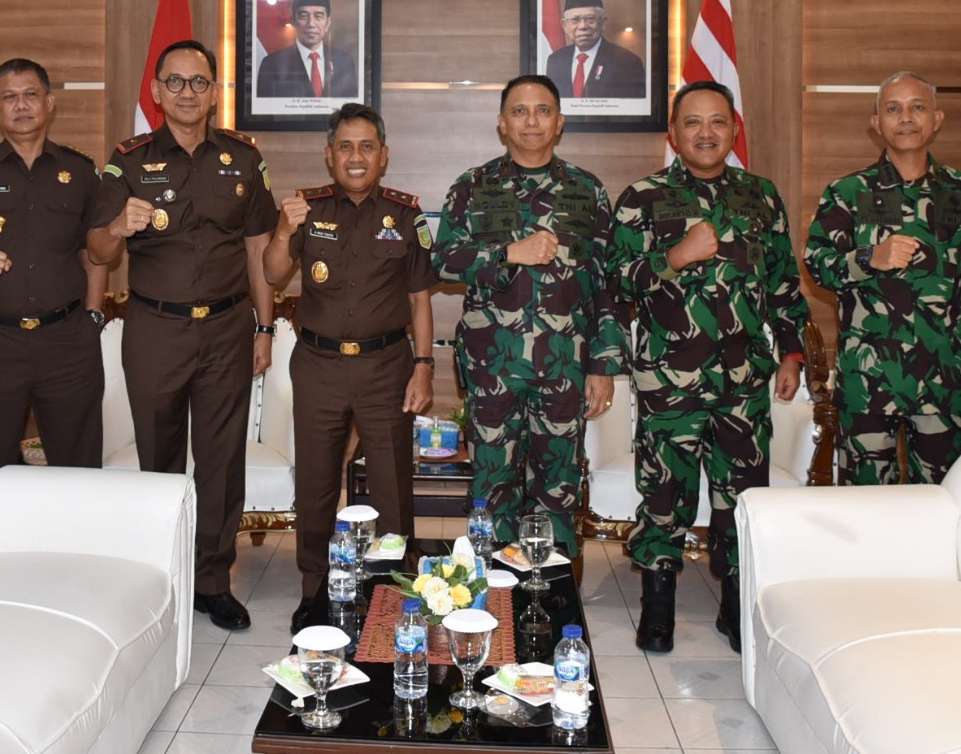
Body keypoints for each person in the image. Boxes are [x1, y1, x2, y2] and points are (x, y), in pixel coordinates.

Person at [610, 80, 809, 655]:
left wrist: (791, 351)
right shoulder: (643, 197)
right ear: (674, 134)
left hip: (743, 380)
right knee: (664, 494)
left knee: (742, 497)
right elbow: (616, 279)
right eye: (692, 122)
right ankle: (658, 610)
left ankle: (735, 609)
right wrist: (676, 255)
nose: (706, 132)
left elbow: (783, 283)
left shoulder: (760, 197)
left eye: (718, 121)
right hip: (670, 380)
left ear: (734, 129)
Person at [91, 39, 279, 631]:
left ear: (215, 92)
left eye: (199, 82)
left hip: (227, 326)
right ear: (156, 91)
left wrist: (265, 326)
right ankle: (163, 575)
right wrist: (118, 225)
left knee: (222, 458)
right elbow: (97, 250)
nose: (187, 93)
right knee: (160, 457)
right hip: (155, 328)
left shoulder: (243, 158)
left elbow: (258, 250)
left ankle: (212, 582)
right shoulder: (128, 159)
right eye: (175, 82)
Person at [434, 74, 624, 561]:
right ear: (502, 123)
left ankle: (550, 589)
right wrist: (507, 253)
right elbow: (442, 261)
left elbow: (606, 283)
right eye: (519, 111)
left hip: (566, 367)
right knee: (492, 485)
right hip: (493, 367)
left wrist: (603, 365)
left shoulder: (588, 190)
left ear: (559, 122)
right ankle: (495, 589)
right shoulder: (472, 186)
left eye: (543, 111)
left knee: (558, 487)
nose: (531, 121)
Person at [263, 103, 436, 633]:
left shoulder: (406, 215)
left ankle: (392, 590)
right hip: (319, 364)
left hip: (387, 365)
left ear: (383, 155)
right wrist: (281, 231)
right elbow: (271, 273)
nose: (355, 156)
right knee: (316, 483)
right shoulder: (306, 208)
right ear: (329, 154)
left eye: (366, 146)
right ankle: (315, 588)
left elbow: (420, 300)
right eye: (345, 146)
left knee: (391, 485)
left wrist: (424, 367)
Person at [802, 72, 961, 484]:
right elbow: (818, 264)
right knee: (867, 504)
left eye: (917, 107)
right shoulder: (848, 192)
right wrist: (871, 257)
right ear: (876, 123)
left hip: (945, 380)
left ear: (937, 119)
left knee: (942, 500)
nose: (906, 117)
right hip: (869, 382)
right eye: (893, 109)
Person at [0, 58, 109, 468]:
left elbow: (95, 251)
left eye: (30, 94)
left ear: (49, 102)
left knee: (78, 465)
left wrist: (93, 314)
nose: (21, 105)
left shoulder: (80, 170)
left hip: (67, 342)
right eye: (9, 97)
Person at [254, 0, 360, 99]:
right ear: (294, 21)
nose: (311, 24)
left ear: (327, 23)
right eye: (304, 16)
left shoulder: (344, 61)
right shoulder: (272, 64)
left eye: (318, 16)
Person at [543, 0, 646, 100]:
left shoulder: (627, 62)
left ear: (603, 23)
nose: (583, 26)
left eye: (590, 19)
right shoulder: (555, 60)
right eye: (575, 20)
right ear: (564, 25)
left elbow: (632, 108)